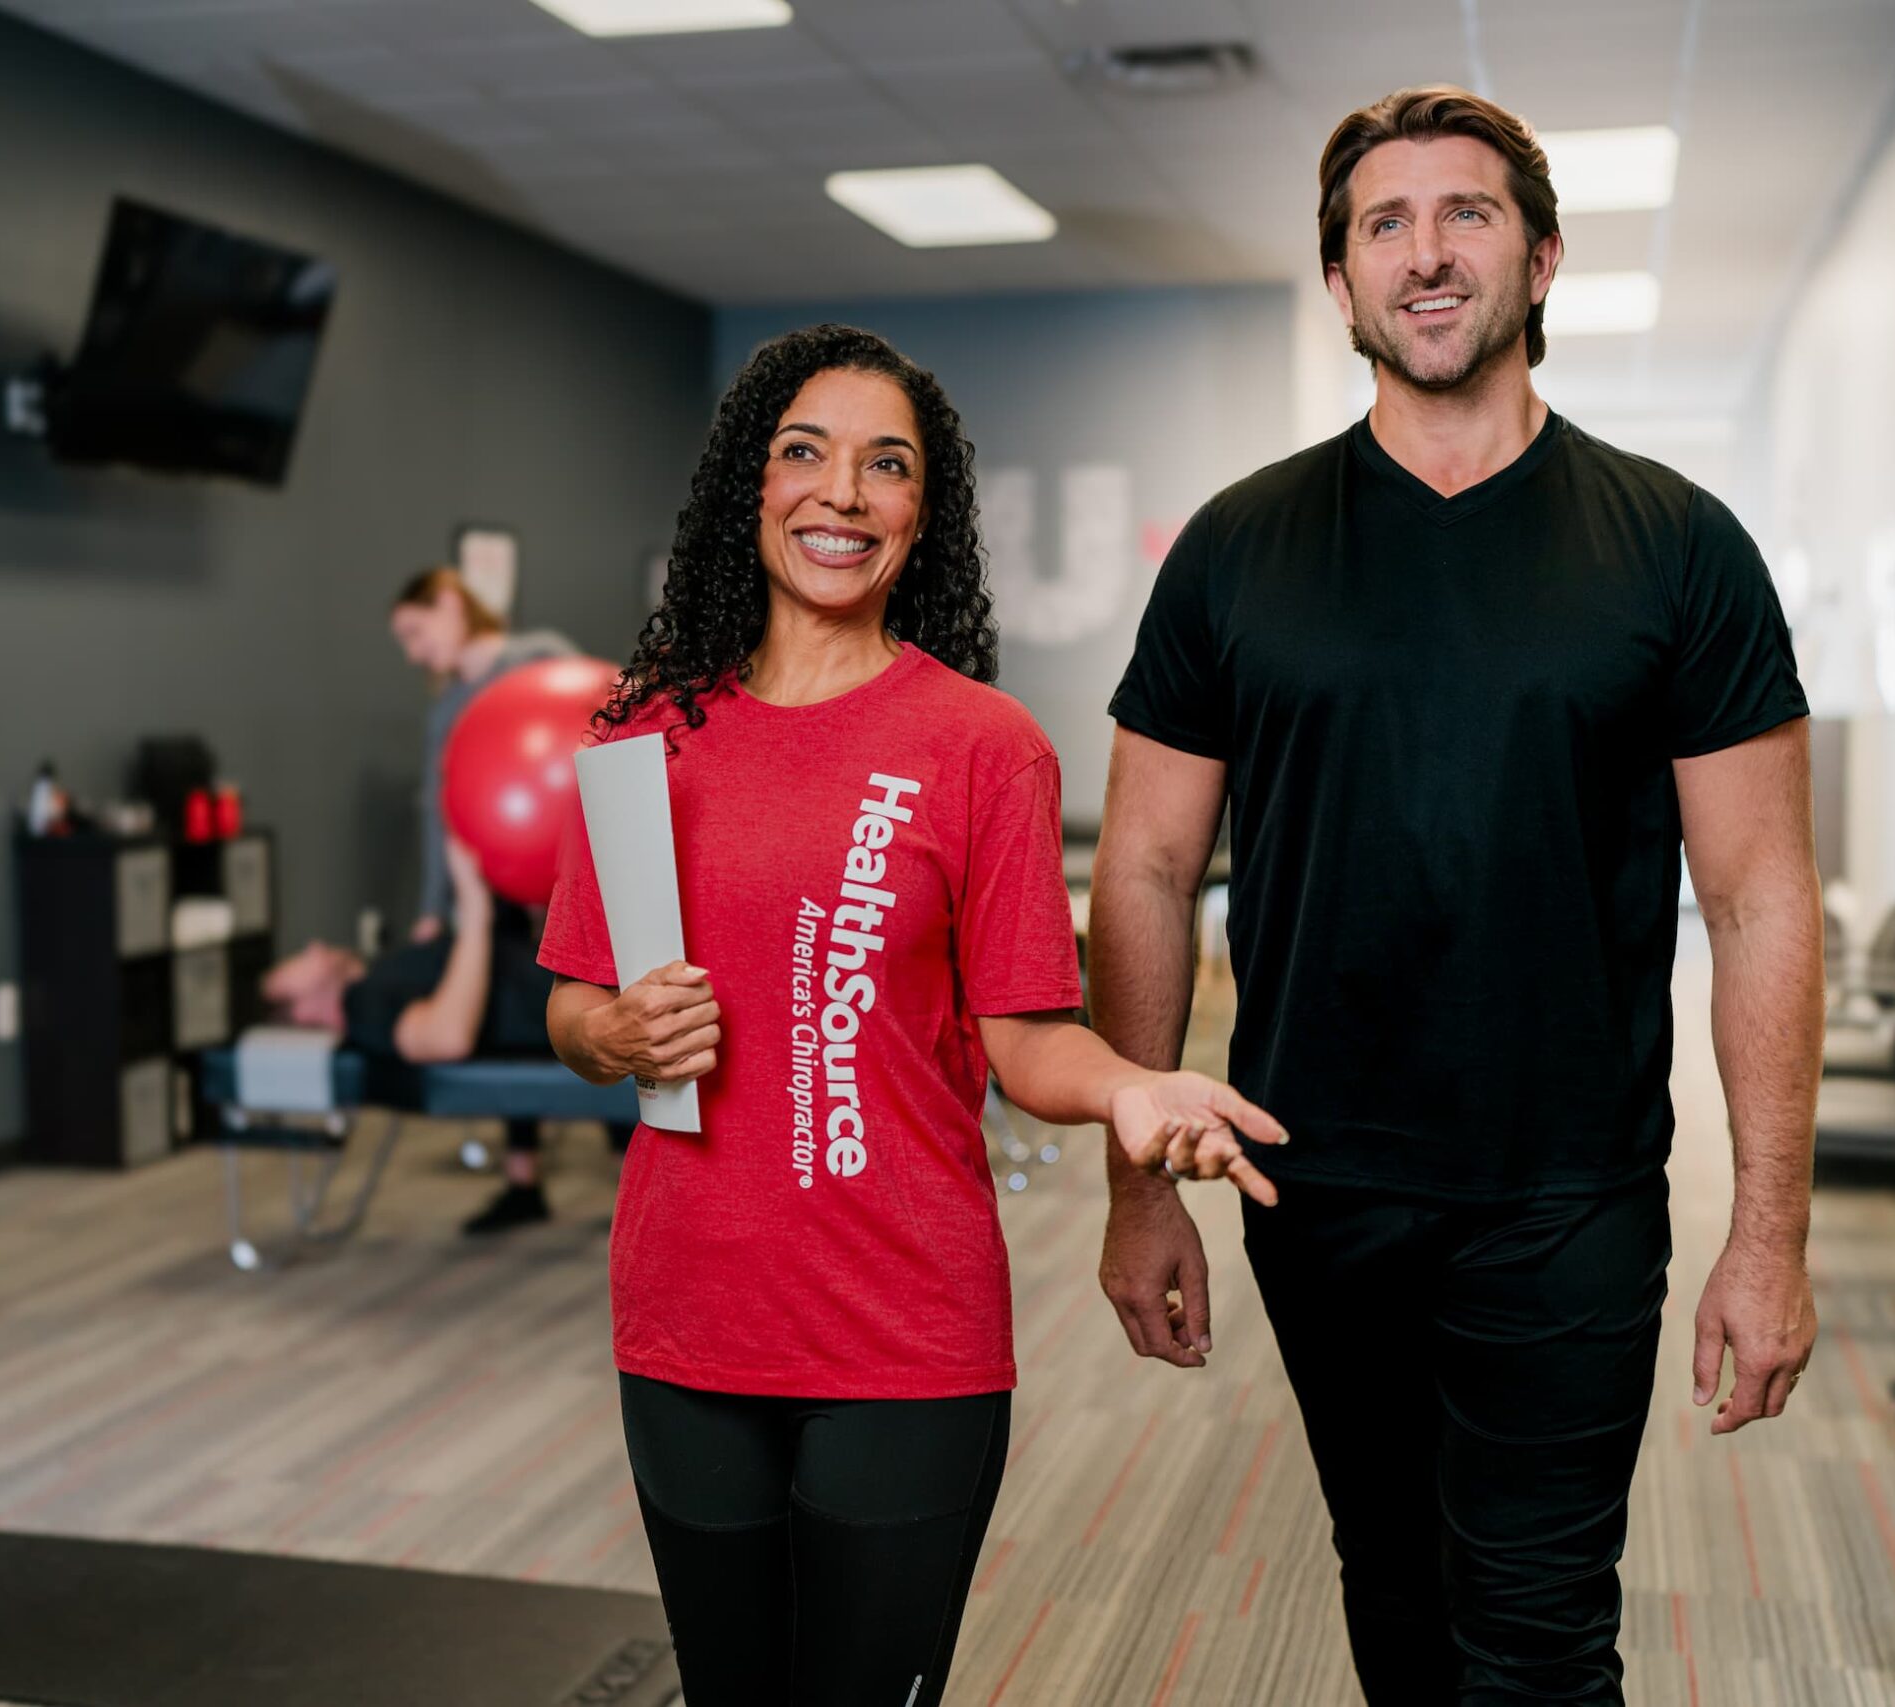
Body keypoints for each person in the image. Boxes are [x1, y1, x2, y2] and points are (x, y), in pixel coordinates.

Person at [1093, 86, 1824, 1705]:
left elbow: (1766, 896)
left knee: (1542, 1630)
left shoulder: (1678, 549)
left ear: (1542, 258)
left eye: (1467, 214)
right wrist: (1138, 1185)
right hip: (1311, 1180)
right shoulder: (1236, 548)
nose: (1427, 254)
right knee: (1393, 1585)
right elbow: (1144, 864)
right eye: (1384, 225)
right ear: (1344, 283)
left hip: (1565, 1187)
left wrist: (1767, 1235)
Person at [536, 324, 1279, 1707]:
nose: (842, 492)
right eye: (803, 452)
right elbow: (576, 1005)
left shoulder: (981, 748)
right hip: (687, 1312)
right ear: (745, 488)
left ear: (920, 516)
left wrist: (1129, 1085)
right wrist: (614, 1035)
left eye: (888, 466)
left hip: (902, 1324)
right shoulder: (643, 735)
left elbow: (1024, 1036)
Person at [389, 567, 581, 1232]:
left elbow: (603, 724)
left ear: (448, 603)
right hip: (492, 888)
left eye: (415, 631)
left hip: (572, 874)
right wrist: (429, 909)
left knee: (602, 1006)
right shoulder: (447, 708)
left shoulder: (541, 657)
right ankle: (522, 1180)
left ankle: (641, 1165)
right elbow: (437, 813)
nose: (414, 652)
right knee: (511, 1022)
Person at [262, 837, 550, 1066]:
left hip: (567, 976)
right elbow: (448, 1038)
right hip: (570, 1004)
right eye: (300, 960)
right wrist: (474, 909)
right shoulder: (362, 1006)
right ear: (302, 1012)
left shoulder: (383, 972)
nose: (316, 947)